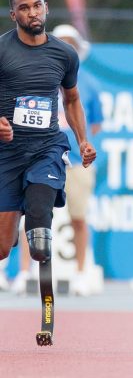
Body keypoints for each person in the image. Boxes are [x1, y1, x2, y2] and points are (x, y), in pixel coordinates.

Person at [0, 0, 97, 345]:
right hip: (7, 155)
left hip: (47, 149)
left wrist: (83, 139)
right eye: (24, 8)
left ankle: (46, 316)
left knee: (40, 231)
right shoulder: (2, 50)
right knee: (2, 246)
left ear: (46, 8)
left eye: (37, 5)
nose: (33, 13)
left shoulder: (64, 54)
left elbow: (71, 99)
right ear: (14, 15)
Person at [11, 23, 103, 297]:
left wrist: (77, 136)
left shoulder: (89, 83)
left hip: (74, 161)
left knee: (78, 218)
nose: (66, 48)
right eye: (61, 42)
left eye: (70, 44)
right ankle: (24, 273)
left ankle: (80, 274)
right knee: (32, 215)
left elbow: (95, 122)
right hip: (39, 156)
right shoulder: (38, 74)